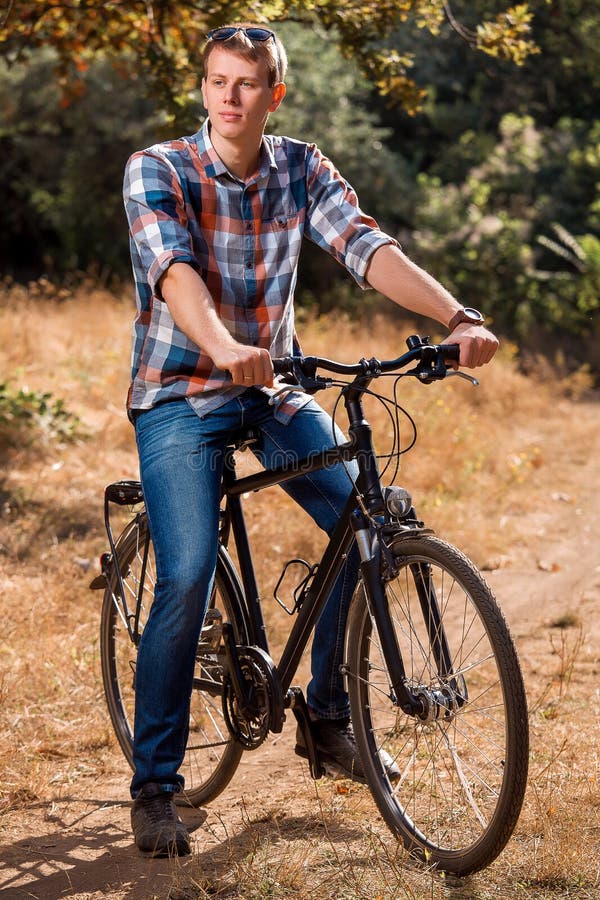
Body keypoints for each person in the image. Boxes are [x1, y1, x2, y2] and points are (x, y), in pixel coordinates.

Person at [122, 22, 498, 857]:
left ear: (273, 94)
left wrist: (455, 316)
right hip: (181, 394)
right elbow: (174, 271)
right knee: (184, 573)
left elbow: (366, 247)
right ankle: (154, 785)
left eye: (246, 84)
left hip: (273, 388)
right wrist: (221, 348)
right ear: (205, 87)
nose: (228, 97)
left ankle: (329, 721)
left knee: (372, 514)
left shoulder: (301, 167)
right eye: (217, 81)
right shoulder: (159, 168)